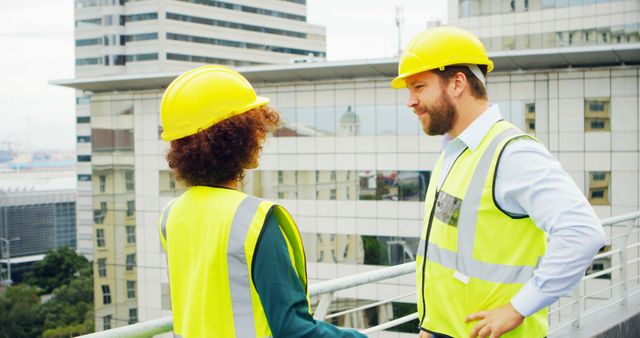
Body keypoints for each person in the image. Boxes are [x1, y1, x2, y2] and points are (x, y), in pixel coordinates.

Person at [390, 26, 606, 338]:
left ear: (458, 83)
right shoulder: (453, 152)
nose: (410, 101)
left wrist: (517, 308)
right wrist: (433, 325)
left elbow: (583, 233)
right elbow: (452, 252)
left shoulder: (514, 154)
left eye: (419, 87)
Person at [158, 65, 365, 338]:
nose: (262, 134)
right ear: (234, 137)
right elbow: (294, 329)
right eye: (255, 125)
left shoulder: (171, 215)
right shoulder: (253, 220)